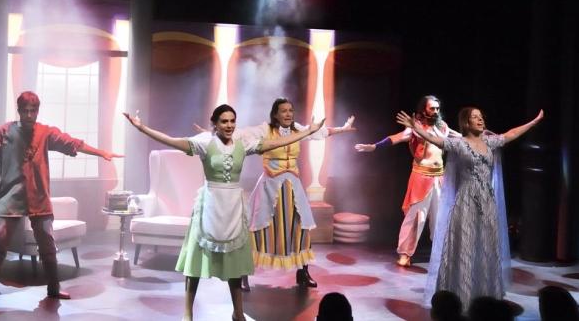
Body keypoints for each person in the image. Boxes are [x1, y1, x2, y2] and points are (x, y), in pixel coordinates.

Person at [123, 104, 325, 321]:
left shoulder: (242, 144)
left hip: (233, 207)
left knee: (235, 264)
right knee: (195, 265)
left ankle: (237, 313)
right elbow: (172, 141)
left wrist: (308, 132)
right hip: (210, 206)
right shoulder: (205, 143)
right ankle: (188, 314)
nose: (229, 125)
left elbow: (274, 143)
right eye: (224, 121)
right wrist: (142, 128)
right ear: (215, 124)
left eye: (232, 121)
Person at [0, 91, 123, 309]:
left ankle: (53, 287)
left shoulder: (45, 132)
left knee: (47, 243)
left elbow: (72, 143)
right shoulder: (4, 132)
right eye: (25, 111)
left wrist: (102, 153)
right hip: (11, 197)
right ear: (19, 110)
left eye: (33, 111)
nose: (29, 115)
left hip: (38, 196)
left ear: (37, 111)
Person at [396, 107, 544, 308]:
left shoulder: (490, 142)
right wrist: (416, 128)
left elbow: (510, 134)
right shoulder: (459, 143)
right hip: (466, 203)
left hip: (487, 203)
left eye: (481, 117)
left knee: (486, 248)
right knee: (465, 247)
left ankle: (485, 296)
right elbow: (436, 140)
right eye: (475, 117)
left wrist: (533, 123)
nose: (480, 120)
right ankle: (462, 298)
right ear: (466, 122)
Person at [239, 98, 355, 289]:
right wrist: (215, 133)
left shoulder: (297, 129)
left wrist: (342, 129)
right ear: (275, 114)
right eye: (283, 111)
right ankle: (243, 274)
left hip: (292, 185)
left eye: (290, 110)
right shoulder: (265, 129)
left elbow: (318, 132)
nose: (288, 114)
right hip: (270, 186)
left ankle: (303, 273)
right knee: (258, 227)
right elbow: (242, 134)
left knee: (300, 227)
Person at [355, 95, 460, 267]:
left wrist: (482, 139)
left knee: (441, 217)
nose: (435, 111)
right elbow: (396, 137)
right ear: (423, 110)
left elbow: (459, 137)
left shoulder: (443, 127)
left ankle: (442, 252)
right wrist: (374, 146)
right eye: (432, 108)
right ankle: (405, 253)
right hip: (421, 177)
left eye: (437, 108)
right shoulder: (415, 128)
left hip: (439, 178)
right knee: (416, 217)